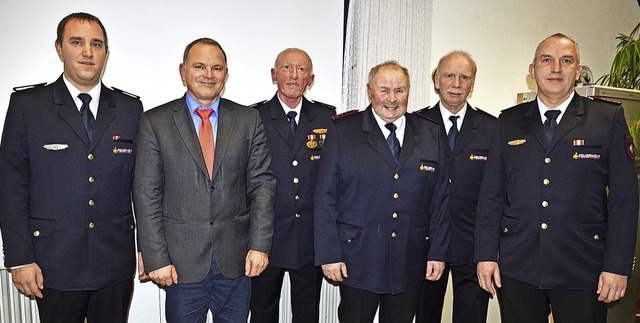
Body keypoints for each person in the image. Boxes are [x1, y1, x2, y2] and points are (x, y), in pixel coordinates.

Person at [475, 33, 639, 323]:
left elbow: (625, 200)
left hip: (583, 267)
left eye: (566, 61)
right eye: (547, 60)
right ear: (532, 70)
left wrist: (618, 266)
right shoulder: (508, 122)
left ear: (577, 71)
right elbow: (491, 196)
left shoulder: (607, 119)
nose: (556, 68)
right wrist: (486, 255)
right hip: (519, 265)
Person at [0, 12, 143, 323]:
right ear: (59, 48)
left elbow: (141, 187)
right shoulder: (28, 106)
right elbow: (10, 187)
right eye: (77, 42)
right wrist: (19, 258)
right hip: (53, 263)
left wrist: (148, 248)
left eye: (97, 44)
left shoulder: (130, 109)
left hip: (113, 261)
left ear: (106, 52)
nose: (88, 52)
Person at [133, 38, 276, 322]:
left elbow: (262, 186)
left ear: (226, 74)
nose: (209, 75)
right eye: (199, 66)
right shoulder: (155, 122)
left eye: (217, 68)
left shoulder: (249, 120)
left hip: (236, 263)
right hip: (180, 264)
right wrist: (156, 258)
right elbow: (146, 194)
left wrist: (260, 245)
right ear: (182, 71)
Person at [314, 60, 450, 323]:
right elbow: (325, 198)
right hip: (357, 259)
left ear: (409, 92)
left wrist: (438, 253)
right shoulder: (343, 130)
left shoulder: (430, 133)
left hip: (409, 261)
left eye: (400, 90)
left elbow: (440, 199)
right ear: (369, 91)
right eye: (384, 90)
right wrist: (329, 254)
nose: (392, 99)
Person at [250, 48, 335, 323]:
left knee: (307, 313)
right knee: (262, 312)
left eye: (301, 70)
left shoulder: (327, 119)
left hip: (309, 239)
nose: (294, 76)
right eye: (287, 68)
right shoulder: (254, 117)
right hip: (266, 237)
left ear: (310, 79)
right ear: (274, 75)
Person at [415, 51, 496, 323]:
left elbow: (496, 191)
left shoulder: (491, 127)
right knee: (425, 316)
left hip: (473, 245)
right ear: (436, 79)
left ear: (473, 84)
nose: (456, 84)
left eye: (464, 77)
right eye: (449, 75)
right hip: (425, 245)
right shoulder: (416, 125)